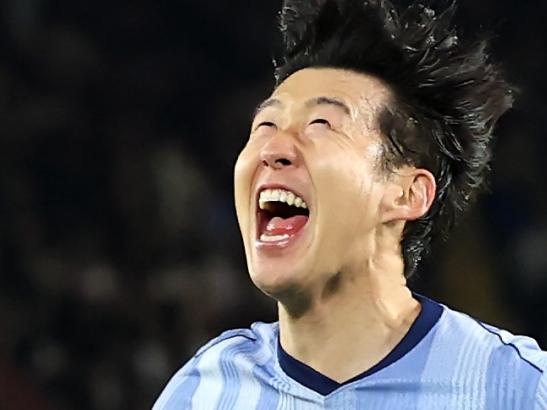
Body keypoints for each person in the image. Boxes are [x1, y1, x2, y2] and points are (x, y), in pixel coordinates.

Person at [153, 0, 547, 408]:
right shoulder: (203, 391)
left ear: (407, 193)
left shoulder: (514, 388)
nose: (273, 148)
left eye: (320, 124)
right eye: (265, 126)